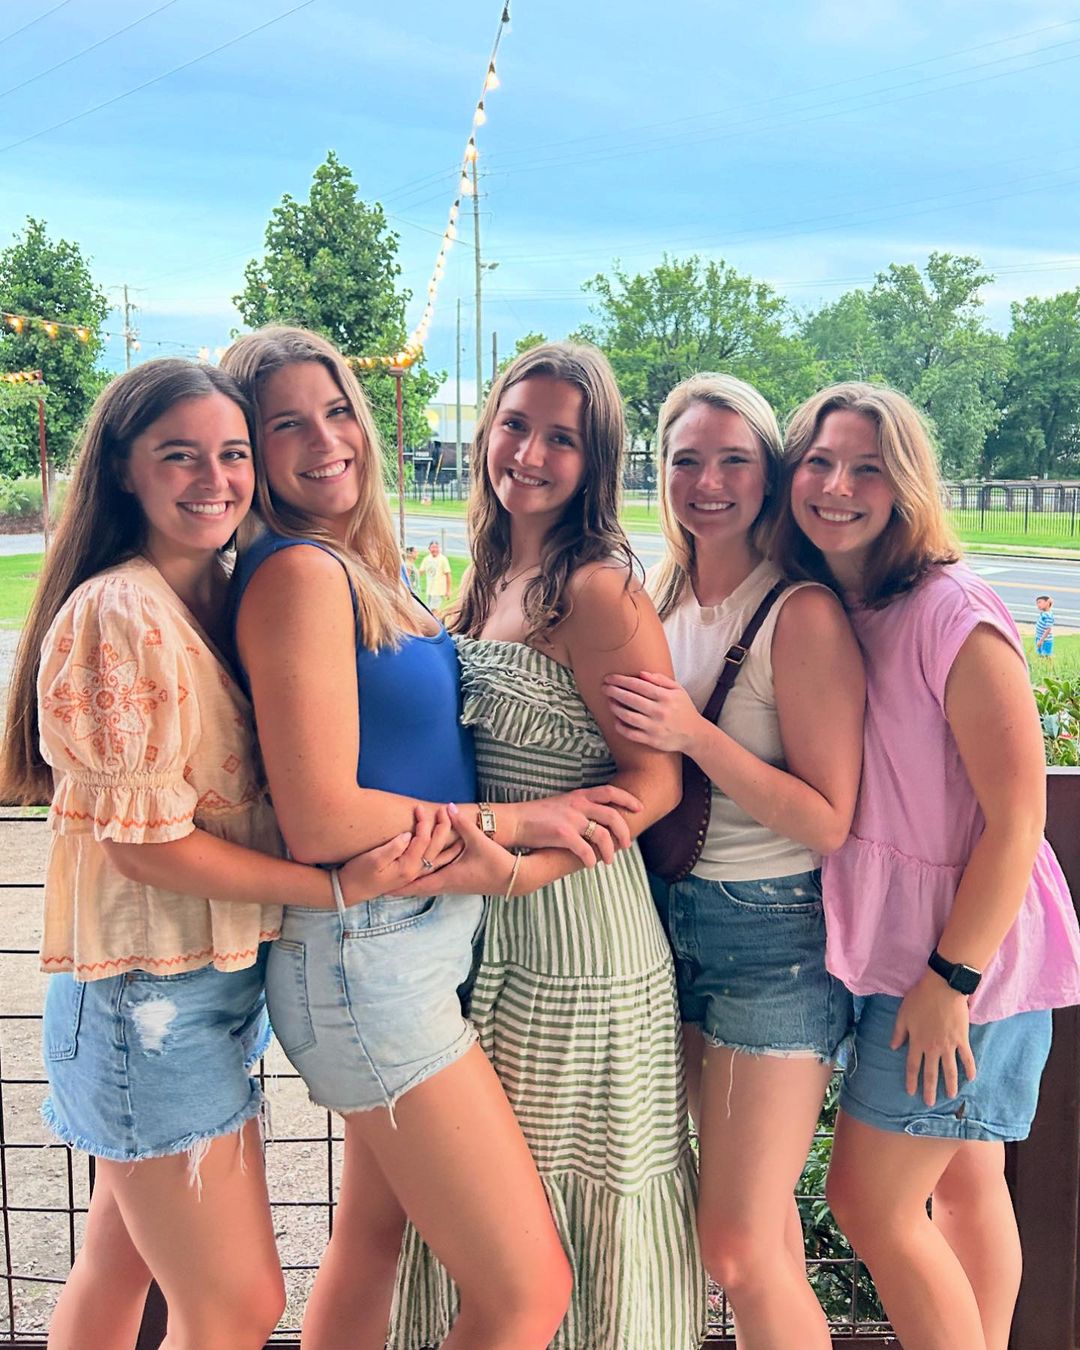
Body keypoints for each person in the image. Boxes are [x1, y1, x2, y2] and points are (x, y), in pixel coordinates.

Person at [0, 360, 438, 1350]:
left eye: (233, 453)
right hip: (143, 1002)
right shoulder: (122, 610)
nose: (215, 479)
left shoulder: (222, 592)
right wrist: (332, 885)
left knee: (120, 1265)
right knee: (236, 1306)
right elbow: (148, 848)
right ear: (124, 471)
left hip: (195, 988)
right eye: (180, 456)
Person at [222, 326, 643, 1350]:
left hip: (408, 941)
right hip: (371, 958)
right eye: (286, 425)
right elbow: (323, 816)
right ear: (250, 448)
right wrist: (519, 825)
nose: (327, 440)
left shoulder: (351, 564)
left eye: (337, 412)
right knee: (526, 1294)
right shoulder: (300, 574)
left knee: (373, 1238)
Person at [391, 342, 707, 1350]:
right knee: (499, 1224)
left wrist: (525, 868)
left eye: (560, 439)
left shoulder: (600, 591)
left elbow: (658, 781)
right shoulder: (489, 573)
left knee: (565, 1221)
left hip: (582, 946)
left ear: (595, 460)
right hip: (492, 934)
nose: (528, 454)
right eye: (515, 425)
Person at [773, 381, 1080, 1350]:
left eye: (867, 468)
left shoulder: (954, 610)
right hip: (896, 950)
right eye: (820, 462)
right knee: (966, 1178)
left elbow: (1019, 817)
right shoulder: (841, 606)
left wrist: (953, 979)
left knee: (867, 1201)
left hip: (961, 959)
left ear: (906, 485)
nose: (837, 486)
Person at [603, 373, 864, 1349]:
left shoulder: (800, 613)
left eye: (734, 461)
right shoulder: (661, 597)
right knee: (747, 1231)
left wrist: (695, 736)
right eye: (686, 460)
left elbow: (829, 821)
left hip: (771, 939)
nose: (707, 482)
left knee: (738, 1245)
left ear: (770, 476)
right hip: (661, 925)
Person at [419, 538, 452, 611]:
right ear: (429, 549)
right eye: (433, 548)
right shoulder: (426, 559)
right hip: (429, 590)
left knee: (434, 610)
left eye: (436, 547)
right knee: (429, 610)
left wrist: (448, 590)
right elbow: (420, 572)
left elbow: (448, 575)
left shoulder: (443, 559)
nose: (434, 550)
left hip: (438, 590)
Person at [1034, 594, 1055, 659]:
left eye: (1039, 602)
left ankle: (1050, 663)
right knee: (1040, 655)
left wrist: (1041, 640)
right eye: (1037, 603)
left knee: (1046, 656)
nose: (1038, 605)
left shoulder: (1048, 615)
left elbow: (1048, 629)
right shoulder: (1044, 613)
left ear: (1047, 602)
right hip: (1039, 637)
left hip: (1045, 640)